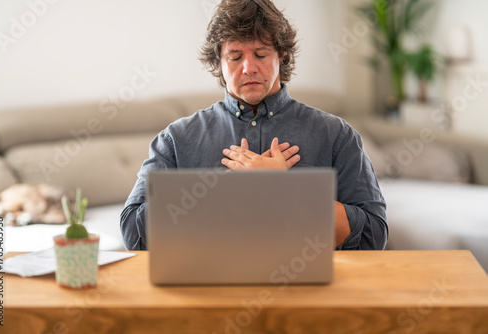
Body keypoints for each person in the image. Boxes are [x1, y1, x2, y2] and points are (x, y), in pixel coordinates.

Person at [121, 0, 388, 251]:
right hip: (207, 291)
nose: (249, 67)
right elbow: (134, 234)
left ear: (281, 55)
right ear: (219, 62)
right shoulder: (176, 140)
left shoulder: (336, 136)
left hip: (305, 291)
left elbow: (373, 235)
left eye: (260, 54)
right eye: (235, 57)